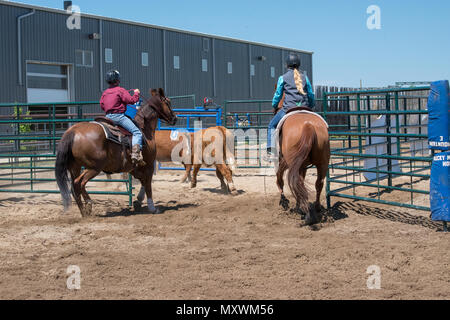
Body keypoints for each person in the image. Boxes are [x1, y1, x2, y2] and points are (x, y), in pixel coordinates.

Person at [266, 53, 315, 160]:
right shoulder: (305, 77)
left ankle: (271, 151)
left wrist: (274, 105)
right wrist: (311, 105)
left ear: (287, 65)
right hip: (305, 108)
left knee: (271, 126)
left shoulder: (282, 78)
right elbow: (311, 94)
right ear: (299, 65)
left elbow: (278, 95)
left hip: (288, 109)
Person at [100, 70, 145, 166]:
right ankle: (136, 154)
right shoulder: (120, 90)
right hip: (119, 117)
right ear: (118, 80)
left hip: (107, 117)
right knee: (137, 132)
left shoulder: (105, 92)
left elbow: (102, 106)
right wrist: (136, 93)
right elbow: (132, 100)